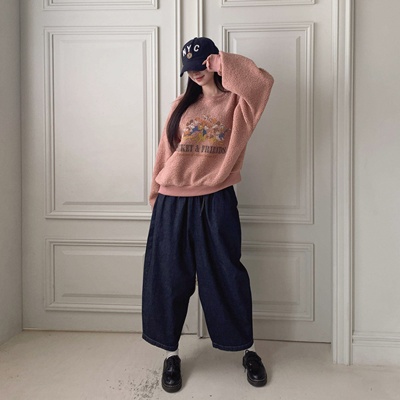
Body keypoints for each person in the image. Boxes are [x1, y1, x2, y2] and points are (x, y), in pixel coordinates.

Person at [141, 36, 274, 393]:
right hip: (172, 201)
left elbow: (262, 82)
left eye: (201, 66)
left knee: (227, 276)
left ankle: (247, 350)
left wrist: (220, 63)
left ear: (213, 63)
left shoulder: (238, 104)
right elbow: (164, 153)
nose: (196, 73)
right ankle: (170, 354)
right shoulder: (181, 105)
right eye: (190, 69)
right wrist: (155, 195)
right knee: (168, 277)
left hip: (216, 199)